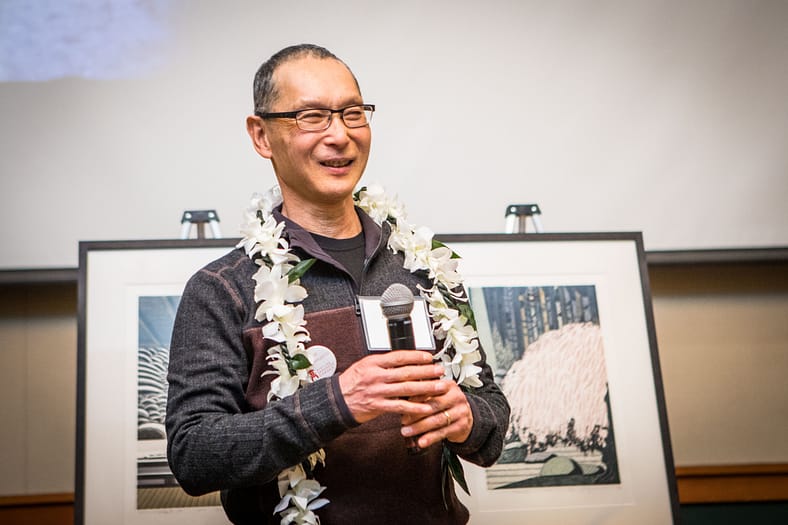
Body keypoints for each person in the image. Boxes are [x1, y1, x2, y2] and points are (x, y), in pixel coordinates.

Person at [165, 43, 510, 524]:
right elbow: (194, 454)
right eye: (311, 117)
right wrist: (338, 403)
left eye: (352, 113)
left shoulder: (424, 266)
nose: (340, 136)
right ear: (261, 135)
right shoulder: (223, 288)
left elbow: (492, 416)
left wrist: (467, 418)